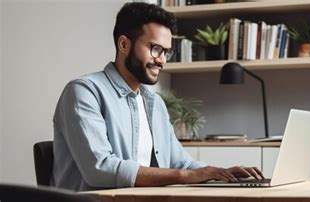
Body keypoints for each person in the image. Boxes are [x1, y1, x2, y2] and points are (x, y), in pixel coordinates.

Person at [51, 2, 264, 191]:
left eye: (166, 52)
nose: (162, 60)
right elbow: (100, 168)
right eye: (155, 49)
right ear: (124, 44)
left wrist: (224, 174)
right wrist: (184, 176)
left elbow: (182, 164)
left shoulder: (154, 103)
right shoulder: (84, 92)